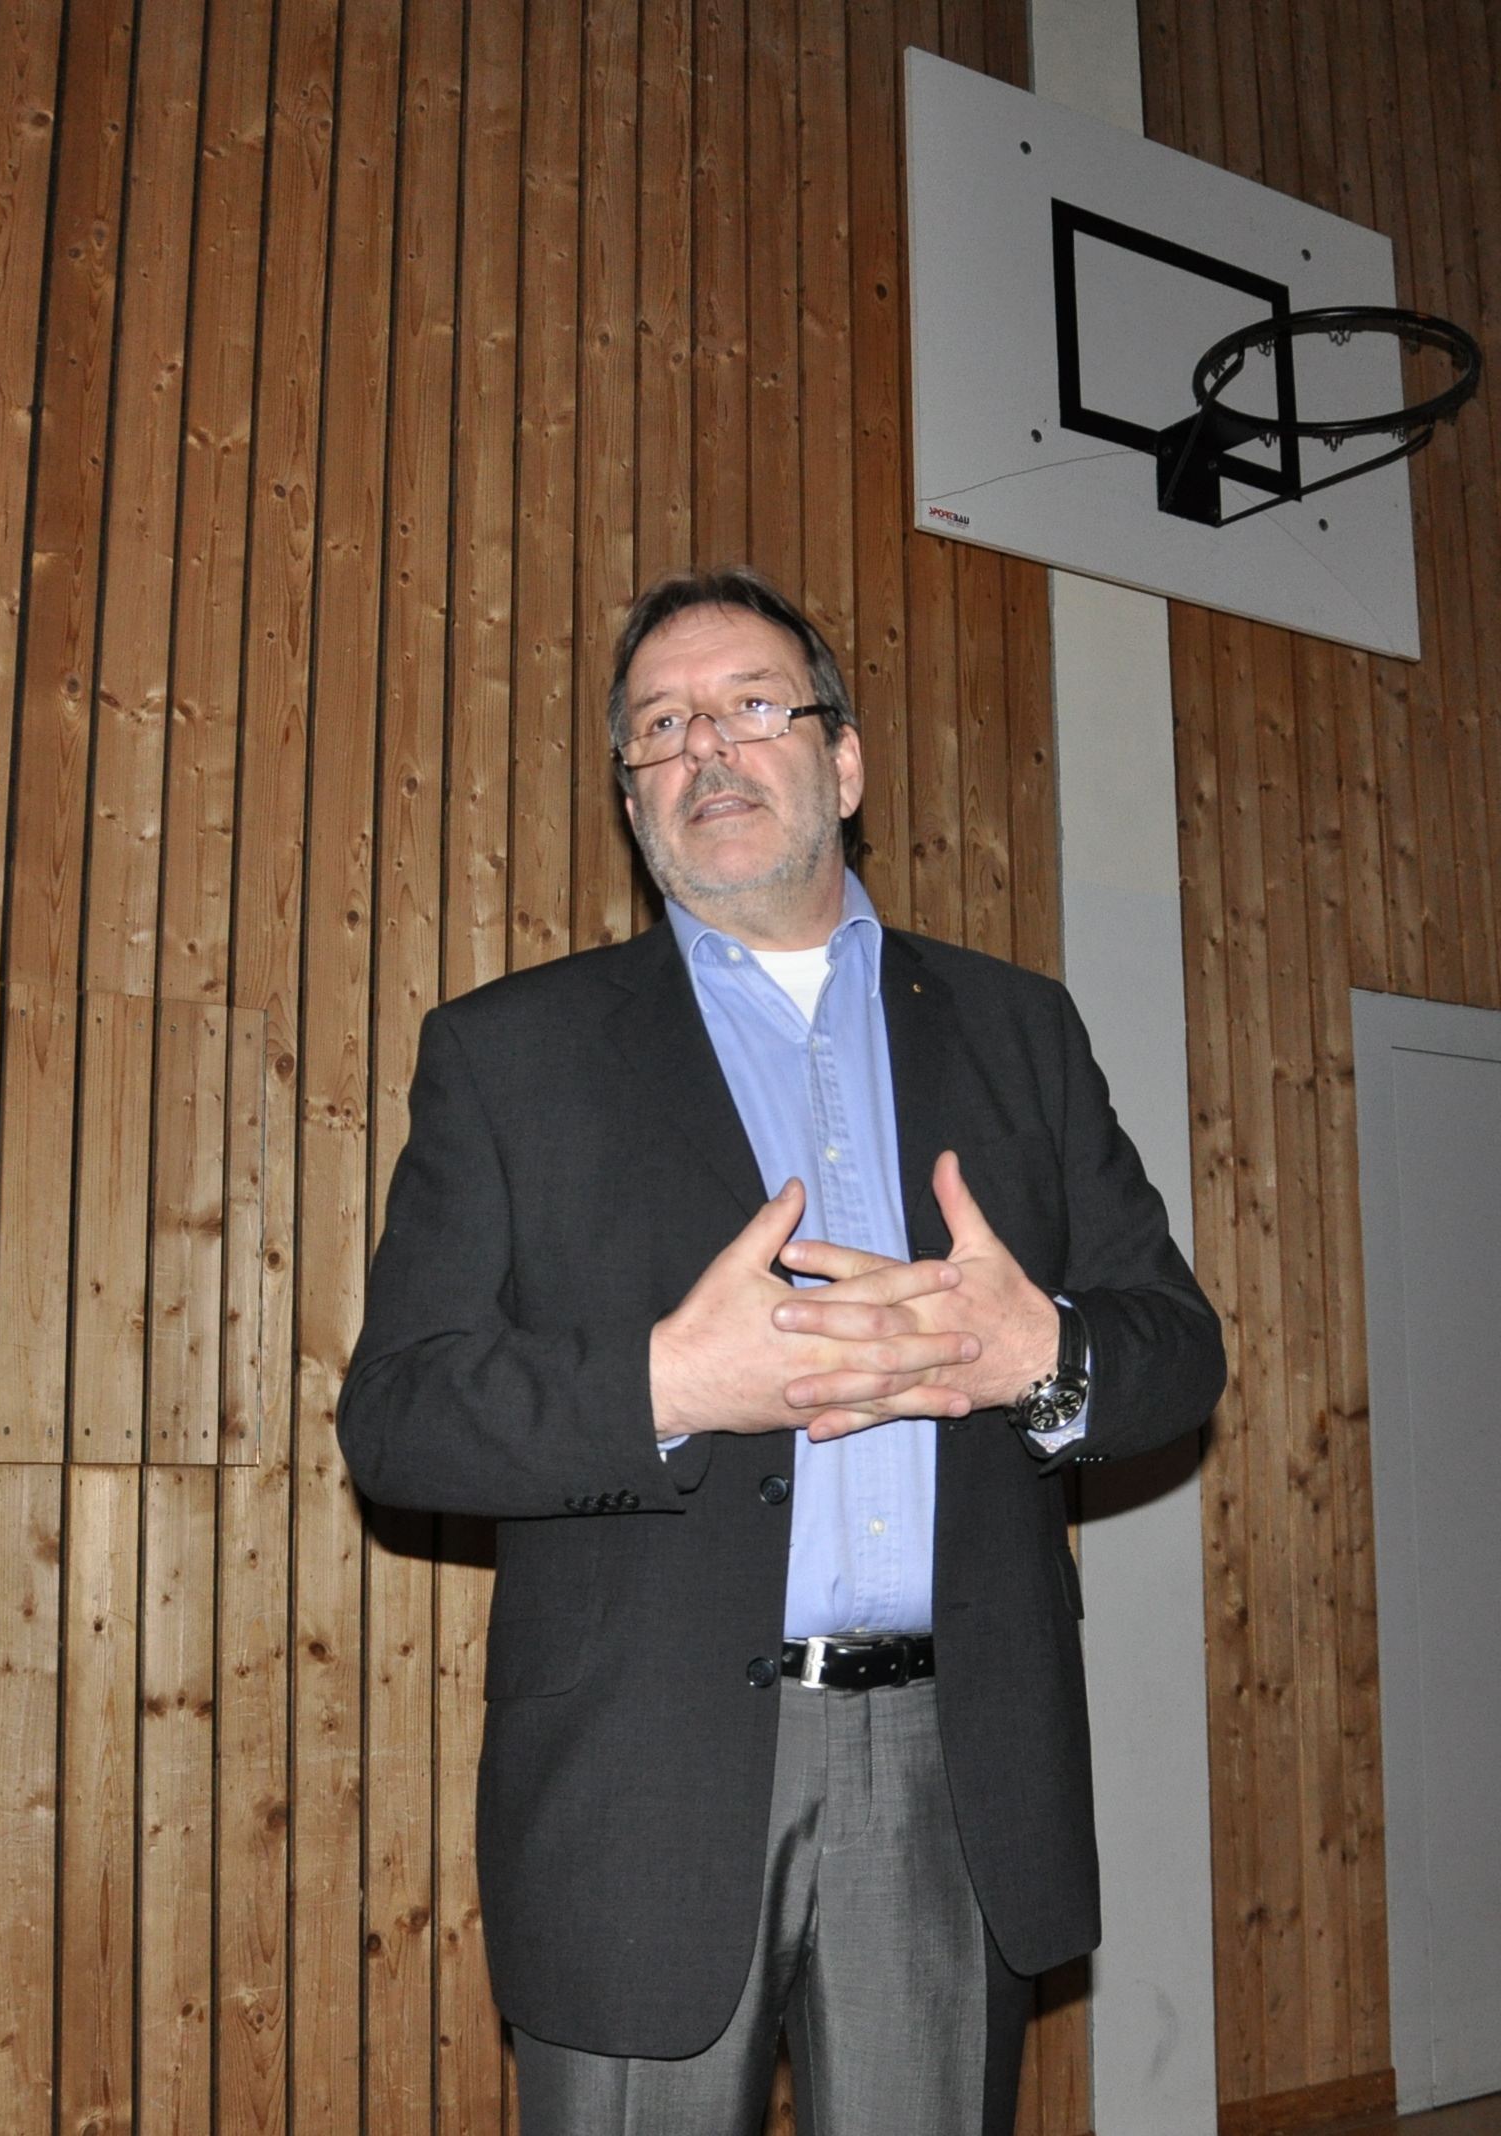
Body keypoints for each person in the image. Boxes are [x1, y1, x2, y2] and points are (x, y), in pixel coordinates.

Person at [339, 566, 1224, 2136]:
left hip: (959, 1769)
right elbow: (398, 1418)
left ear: (845, 761)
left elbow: (1176, 1351)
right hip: (645, 1783)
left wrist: (1041, 1354)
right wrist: (668, 1386)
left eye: (753, 706)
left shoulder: (1021, 1031)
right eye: (660, 727)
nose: (706, 749)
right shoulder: (507, 1053)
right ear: (632, 797)